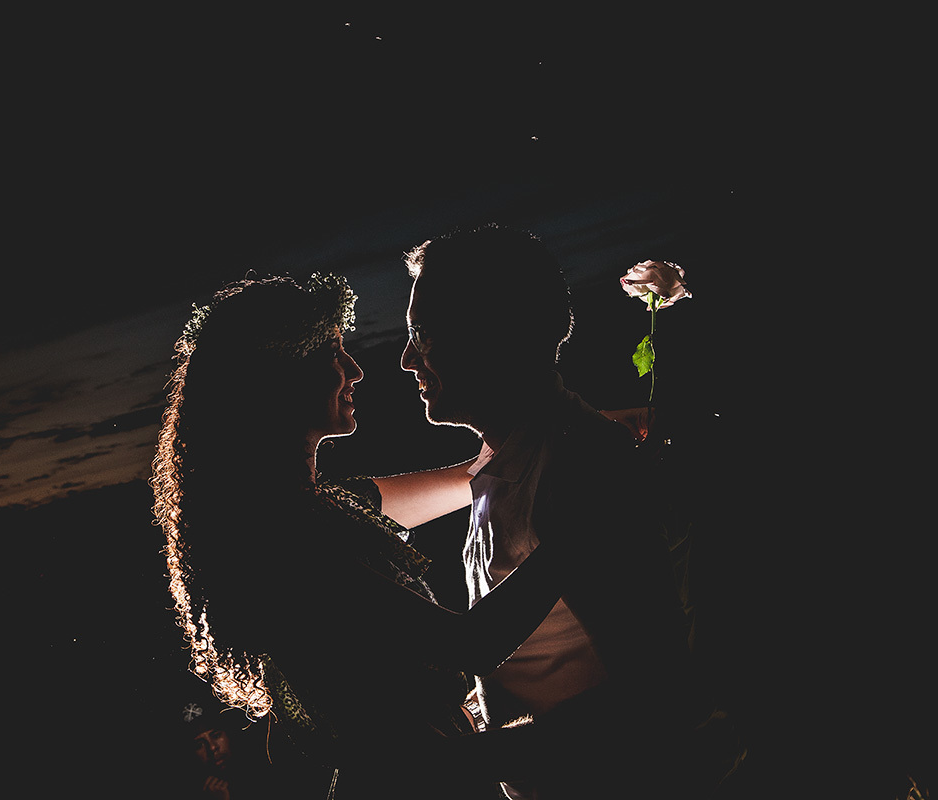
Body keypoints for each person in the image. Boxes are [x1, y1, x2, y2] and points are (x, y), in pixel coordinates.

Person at [152, 273, 647, 799]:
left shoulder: (325, 508)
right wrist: (592, 518)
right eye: (334, 354)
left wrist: (605, 427)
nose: (355, 370)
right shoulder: (282, 536)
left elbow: (473, 474)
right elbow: (471, 643)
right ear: (279, 381)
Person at [399, 224, 745, 798]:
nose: (407, 359)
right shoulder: (507, 460)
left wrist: (455, 760)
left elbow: (660, 703)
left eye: (424, 334)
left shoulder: (580, 472)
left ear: (495, 336)